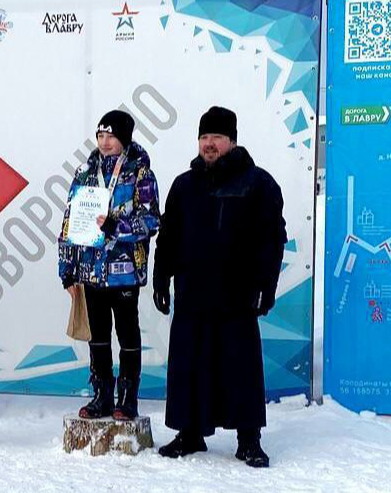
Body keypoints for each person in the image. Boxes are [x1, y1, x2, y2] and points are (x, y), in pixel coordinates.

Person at [152, 106, 286, 468]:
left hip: (237, 295)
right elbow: (169, 236)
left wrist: (265, 287)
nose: (209, 144)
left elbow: (272, 240)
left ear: (232, 140)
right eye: (204, 137)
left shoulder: (257, 183)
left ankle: (249, 440)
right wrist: (161, 278)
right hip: (193, 293)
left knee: (239, 366)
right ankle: (190, 433)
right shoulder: (184, 184)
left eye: (217, 137)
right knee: (189, 364)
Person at [58, 110, 161, 420]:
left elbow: (152, 220)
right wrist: (66, 266)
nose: (105, 142)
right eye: (101, 135)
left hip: (125, 270)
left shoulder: (140, 172)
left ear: (124, 137)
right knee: (97, 335)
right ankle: (102, 394)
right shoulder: (85, 172)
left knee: (128, 334)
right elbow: (70, 220)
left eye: (112, 136)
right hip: (91, 270)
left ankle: (128, 397)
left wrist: (117, 226)